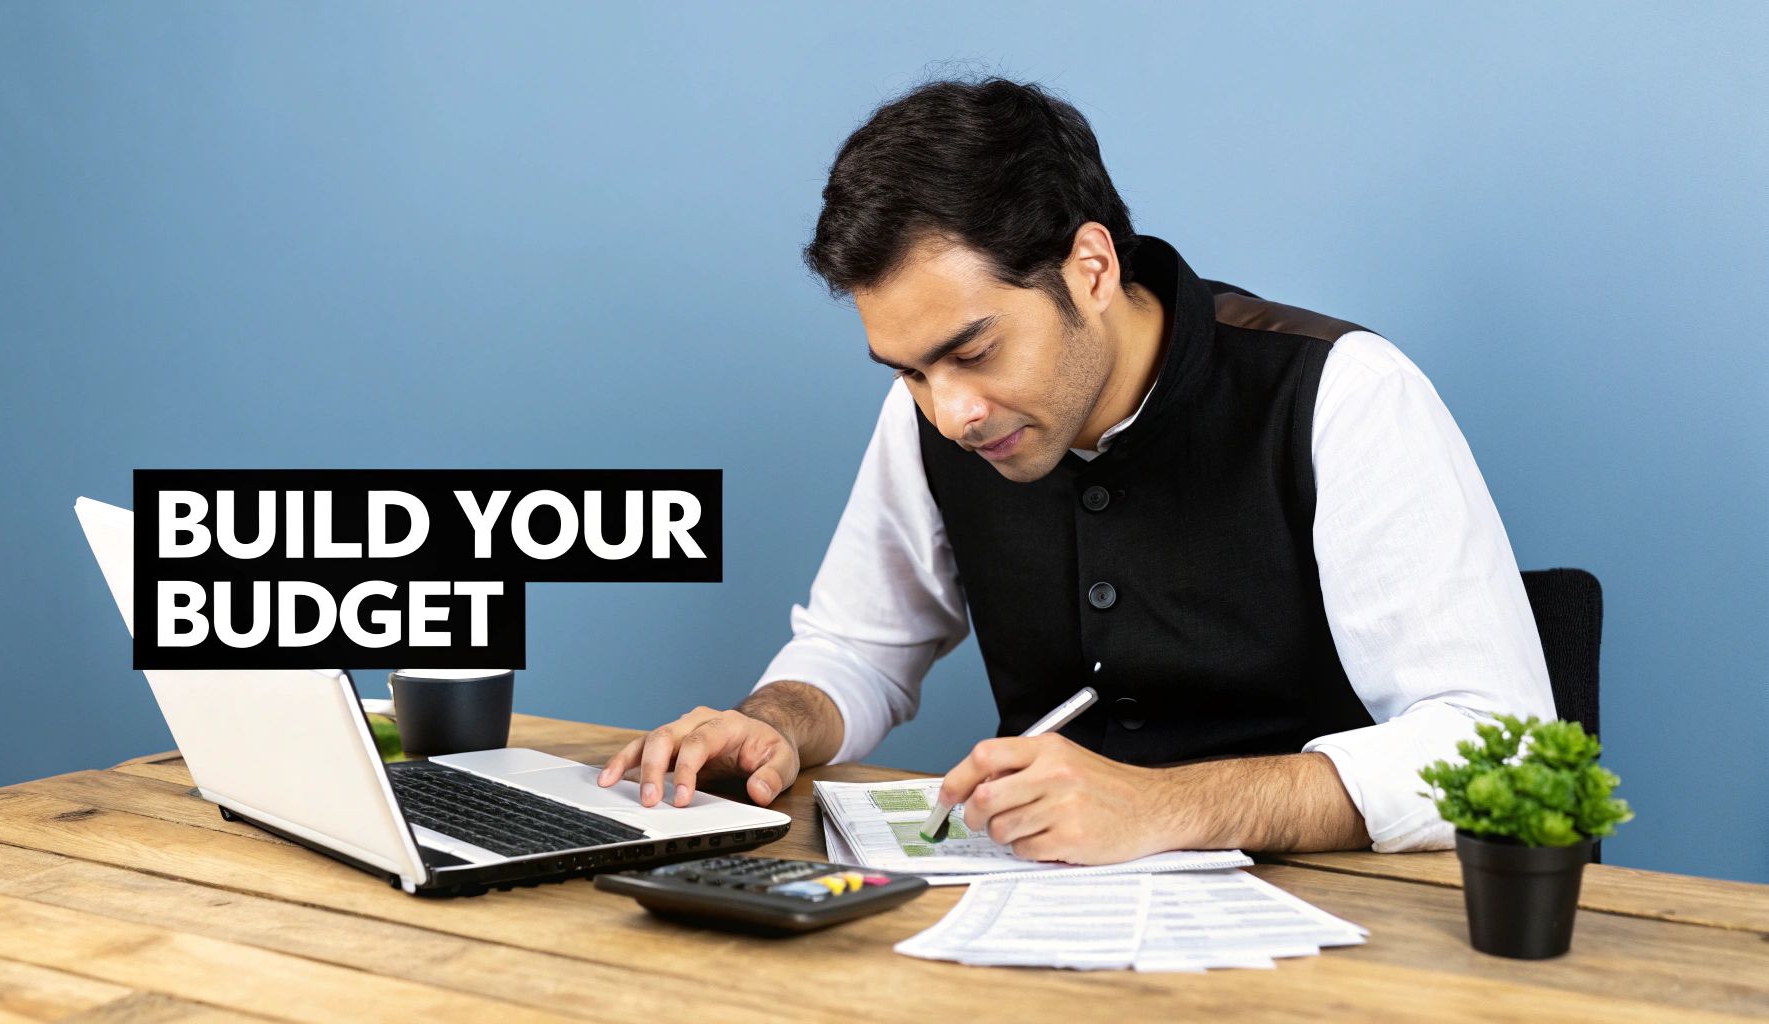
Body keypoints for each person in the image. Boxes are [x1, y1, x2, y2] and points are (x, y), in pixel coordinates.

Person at [596, 78, 1556, 863]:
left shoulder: (1343, 394)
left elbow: (1503, 748)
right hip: (1044, 928)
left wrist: (1169, 806)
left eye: (973, 352)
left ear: (1091, 269)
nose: (951, 411)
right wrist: (777, 722)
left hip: (1346, 931)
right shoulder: (931, 412)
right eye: (910, 370)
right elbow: (858, 647)